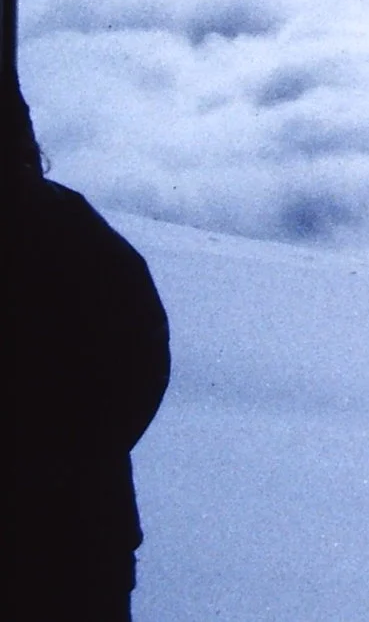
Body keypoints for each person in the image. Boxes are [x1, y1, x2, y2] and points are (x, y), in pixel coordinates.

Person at [5, 83, 171, 621]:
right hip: (86, 529)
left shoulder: (73, 231)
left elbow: (140, 357)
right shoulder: (78, 228)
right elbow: (142, 359)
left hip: (78, 530)